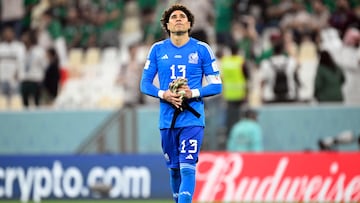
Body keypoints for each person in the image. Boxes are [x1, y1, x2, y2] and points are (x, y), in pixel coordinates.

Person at [140, 4, 222, 203]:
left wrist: (191, 92)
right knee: (174, 171)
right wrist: (164, 94)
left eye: (182, 16)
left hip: (192, 118)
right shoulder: (157, 49)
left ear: (189, 23)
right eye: (173, 16)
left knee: (187, 168)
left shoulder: (202, 49)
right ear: (167, 24)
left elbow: (217, 85)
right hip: (167, 120)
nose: (178, 18)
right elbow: (144, 84)